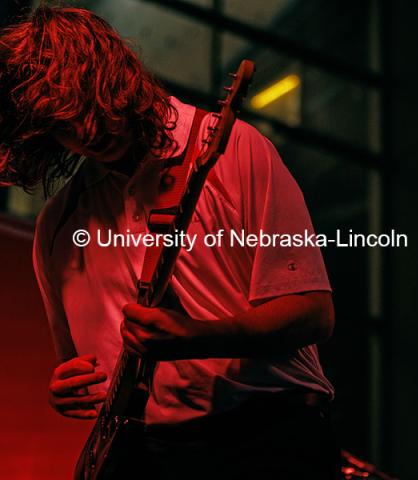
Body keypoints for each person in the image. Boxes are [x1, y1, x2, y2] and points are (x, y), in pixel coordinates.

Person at [0, 5, 340, 479]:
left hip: (271, 437)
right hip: (147, 453)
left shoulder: (234, 148)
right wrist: (67, 386)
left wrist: (199, 338)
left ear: (113, 75)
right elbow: (78, 366)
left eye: (86, 106)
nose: (84, 133)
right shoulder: (57, 226)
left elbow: (312, 311)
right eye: (60, 125)